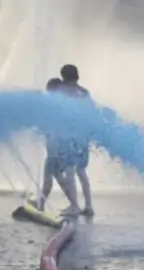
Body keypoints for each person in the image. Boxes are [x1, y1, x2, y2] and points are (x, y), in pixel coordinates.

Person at [38, 77, 80, 214]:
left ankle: (42, 205)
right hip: (60, 149)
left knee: (50, 178)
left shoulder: (54, 104)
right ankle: (72, 204)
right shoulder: (64, 103)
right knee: (56, 177)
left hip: (56, 150)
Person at [59, 64, 95, 216]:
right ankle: (88, 206)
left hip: (69, 136)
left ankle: (74, 206)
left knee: (69, 170)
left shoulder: (63, 92)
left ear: (64, 77)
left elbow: (59, 113)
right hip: (83, 137)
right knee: (81, 171)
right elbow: (91, 113)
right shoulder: (85, 92)